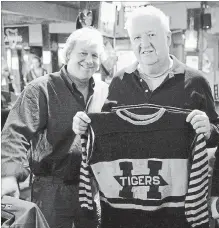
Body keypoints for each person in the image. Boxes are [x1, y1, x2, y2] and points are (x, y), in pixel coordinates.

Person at [72, 5, 219, 227]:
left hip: (178, 212)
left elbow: (216, 133)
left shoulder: (196, 82)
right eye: (137, 37)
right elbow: (107, 137)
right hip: (126, 211)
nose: (144, 43)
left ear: (168, 37)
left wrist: (209, 129)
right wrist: (85, 127)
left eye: (152, 35)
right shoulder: (120, 81)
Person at [1, 27, 108, 228]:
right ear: (68, 55)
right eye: (83, 53)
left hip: (92, 188)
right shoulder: (40, 89)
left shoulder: (103, 92)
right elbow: (15, 133)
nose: (89, 60)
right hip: (51, 190)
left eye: (94, 55)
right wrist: (9, 176)